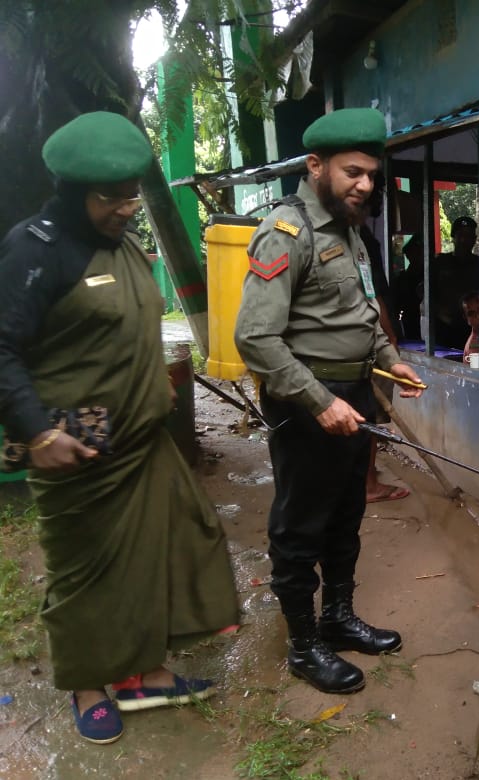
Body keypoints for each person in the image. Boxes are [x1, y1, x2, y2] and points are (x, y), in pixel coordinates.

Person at [0, 112, 239, 744]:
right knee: (83, 573)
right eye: (113, 197)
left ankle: (143, 674)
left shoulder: (124, 243)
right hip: (77, 444)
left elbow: (130, 321)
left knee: (160, 552)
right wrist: (37, 433)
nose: (128, 208)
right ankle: (88, 684)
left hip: (142, 440)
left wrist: (155, 381)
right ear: (73, 190)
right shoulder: (36, 249)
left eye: (133, 194)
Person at [234, 107, 425, 695]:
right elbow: (255, 337)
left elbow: (360, 313)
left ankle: (338, 619)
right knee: (300, 525)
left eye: (371, 174)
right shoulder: (285, 232)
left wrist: (390, 358)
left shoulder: (349, 230)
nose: (365, 185)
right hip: (306, 399)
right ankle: (302, 645)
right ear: (316, 166)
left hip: (353, 395)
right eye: (352, 172)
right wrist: (320, 403)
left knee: (346, 513)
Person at [358, 180, 409, 504]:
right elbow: (373, 294)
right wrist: (389, 338)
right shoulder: (359, 240)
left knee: (366, 418)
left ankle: (364, 478)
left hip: (366, 339)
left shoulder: (357, 237)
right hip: (369, 342)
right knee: (371, 418)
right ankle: (368, 484)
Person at [429, 215, 479, 349]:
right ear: (453, 237)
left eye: (469, 236)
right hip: (444, 328)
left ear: (474, 239)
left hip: (472, 329)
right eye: (460, 235)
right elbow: (426, 291)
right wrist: (439, 312)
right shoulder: (440, 262)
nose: (464, 240)